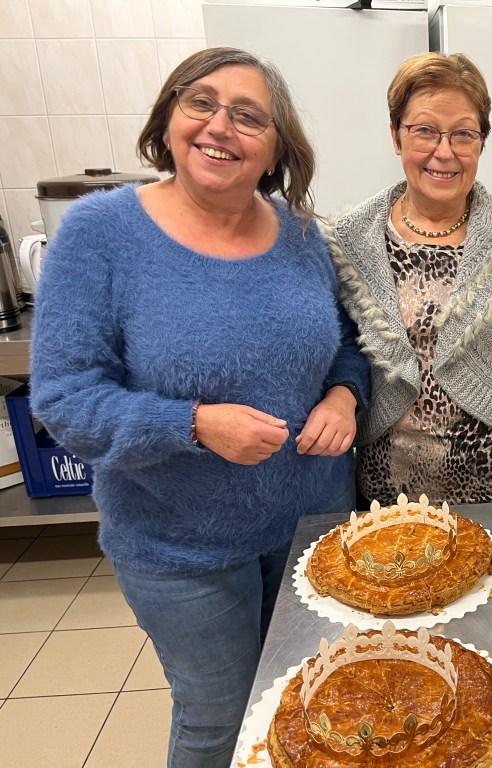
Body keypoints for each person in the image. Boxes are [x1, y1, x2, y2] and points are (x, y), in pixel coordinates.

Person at [30, 47, 369, 767]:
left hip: (311, 528)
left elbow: (344, 346)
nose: (221, 126)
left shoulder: (302, 235)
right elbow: (64, 398)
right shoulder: (100, 234)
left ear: (276, 149)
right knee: (218, 720)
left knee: (308, 703)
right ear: (168, 118)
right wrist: (193, 425)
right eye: (201, 103)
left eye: (249, 116)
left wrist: (344, 397)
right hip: (181, 547)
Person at [324, 51, 492, 507]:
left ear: (481, 142)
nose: (444, 151)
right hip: (389, 491)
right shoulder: (352, 238)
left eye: (463, 134)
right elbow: (339, 349)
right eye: (424, 130)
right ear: (395, 135)